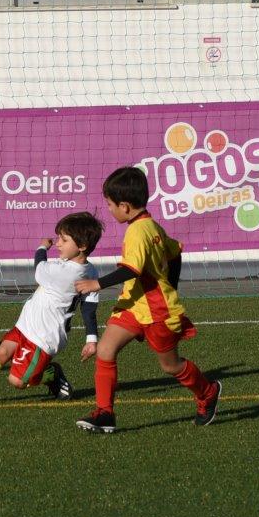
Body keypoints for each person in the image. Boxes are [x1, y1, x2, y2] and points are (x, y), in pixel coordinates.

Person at [73, 166, 220, 432]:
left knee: (170, 365)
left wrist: (97, 283)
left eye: (109, 204)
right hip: (134, 305)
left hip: (158, 312)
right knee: (106, 351)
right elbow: (175, 252)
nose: (108, 209)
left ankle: (207, 392)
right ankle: (105, 413)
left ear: (125, 206)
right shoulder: (151, 225)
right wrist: (172, 285)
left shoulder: (139, 231)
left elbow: (132, 269)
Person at [0, 212, 103, 407]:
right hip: (26, 323)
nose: (58, 243)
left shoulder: (65, 273)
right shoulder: (90, 270)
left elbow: (39, 267)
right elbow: (89, 307)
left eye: (64, 239)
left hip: (43, 337)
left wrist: (43, 246)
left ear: (82, 246)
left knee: (17, 381)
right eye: (59, 237)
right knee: (1, 352)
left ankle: (52, 374)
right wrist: (92, 338)